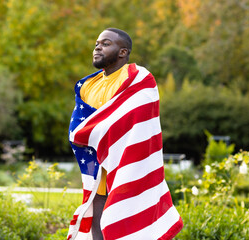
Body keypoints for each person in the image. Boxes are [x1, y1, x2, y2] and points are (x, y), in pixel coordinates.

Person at [68, 28, 183, 240]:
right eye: (96, 43)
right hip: (98, 164)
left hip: (128, 164)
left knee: (127, 218)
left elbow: (140, 123)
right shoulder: (87, 86)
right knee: (98, 214)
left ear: (123, 52)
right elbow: (83, 126)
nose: (97, 47)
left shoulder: (139, 79)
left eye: (105, 43)